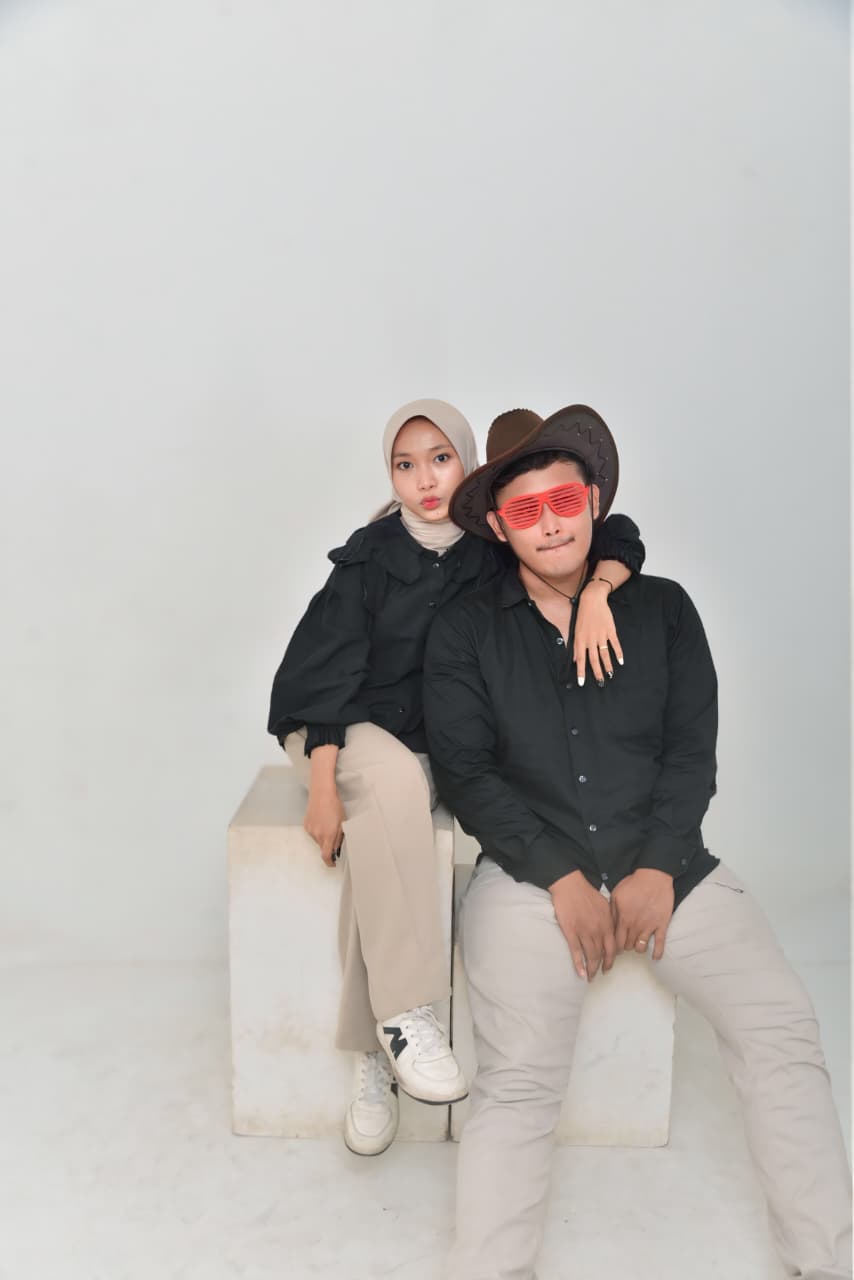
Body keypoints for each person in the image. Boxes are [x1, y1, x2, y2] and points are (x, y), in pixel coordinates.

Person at [423, 404, 852, 1280]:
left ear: (592, 502)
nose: (551, 523)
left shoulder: (663, 610)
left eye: (564, 500)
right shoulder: (465, 631)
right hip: (529, 876)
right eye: (527, 510)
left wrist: (658, 864)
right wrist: (558, 876)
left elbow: (692, 753)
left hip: (669, 866)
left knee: (782, 1030)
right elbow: (466, 774)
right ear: (500, 527)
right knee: (519, 1078)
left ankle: (828, 1261)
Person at [267, 399, 645, 1157]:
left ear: (467, 465)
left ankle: (375, 1049)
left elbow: (616, 530)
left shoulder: (489, 546)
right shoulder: (370, 555)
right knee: (393, 789)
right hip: (336, 729)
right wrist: (323, 782)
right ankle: (409, 1014)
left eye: (440, 459)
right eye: (405, 465)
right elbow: (323, 677)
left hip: (420, 746)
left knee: (389, 837)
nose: (424, 479)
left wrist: (602, 590)